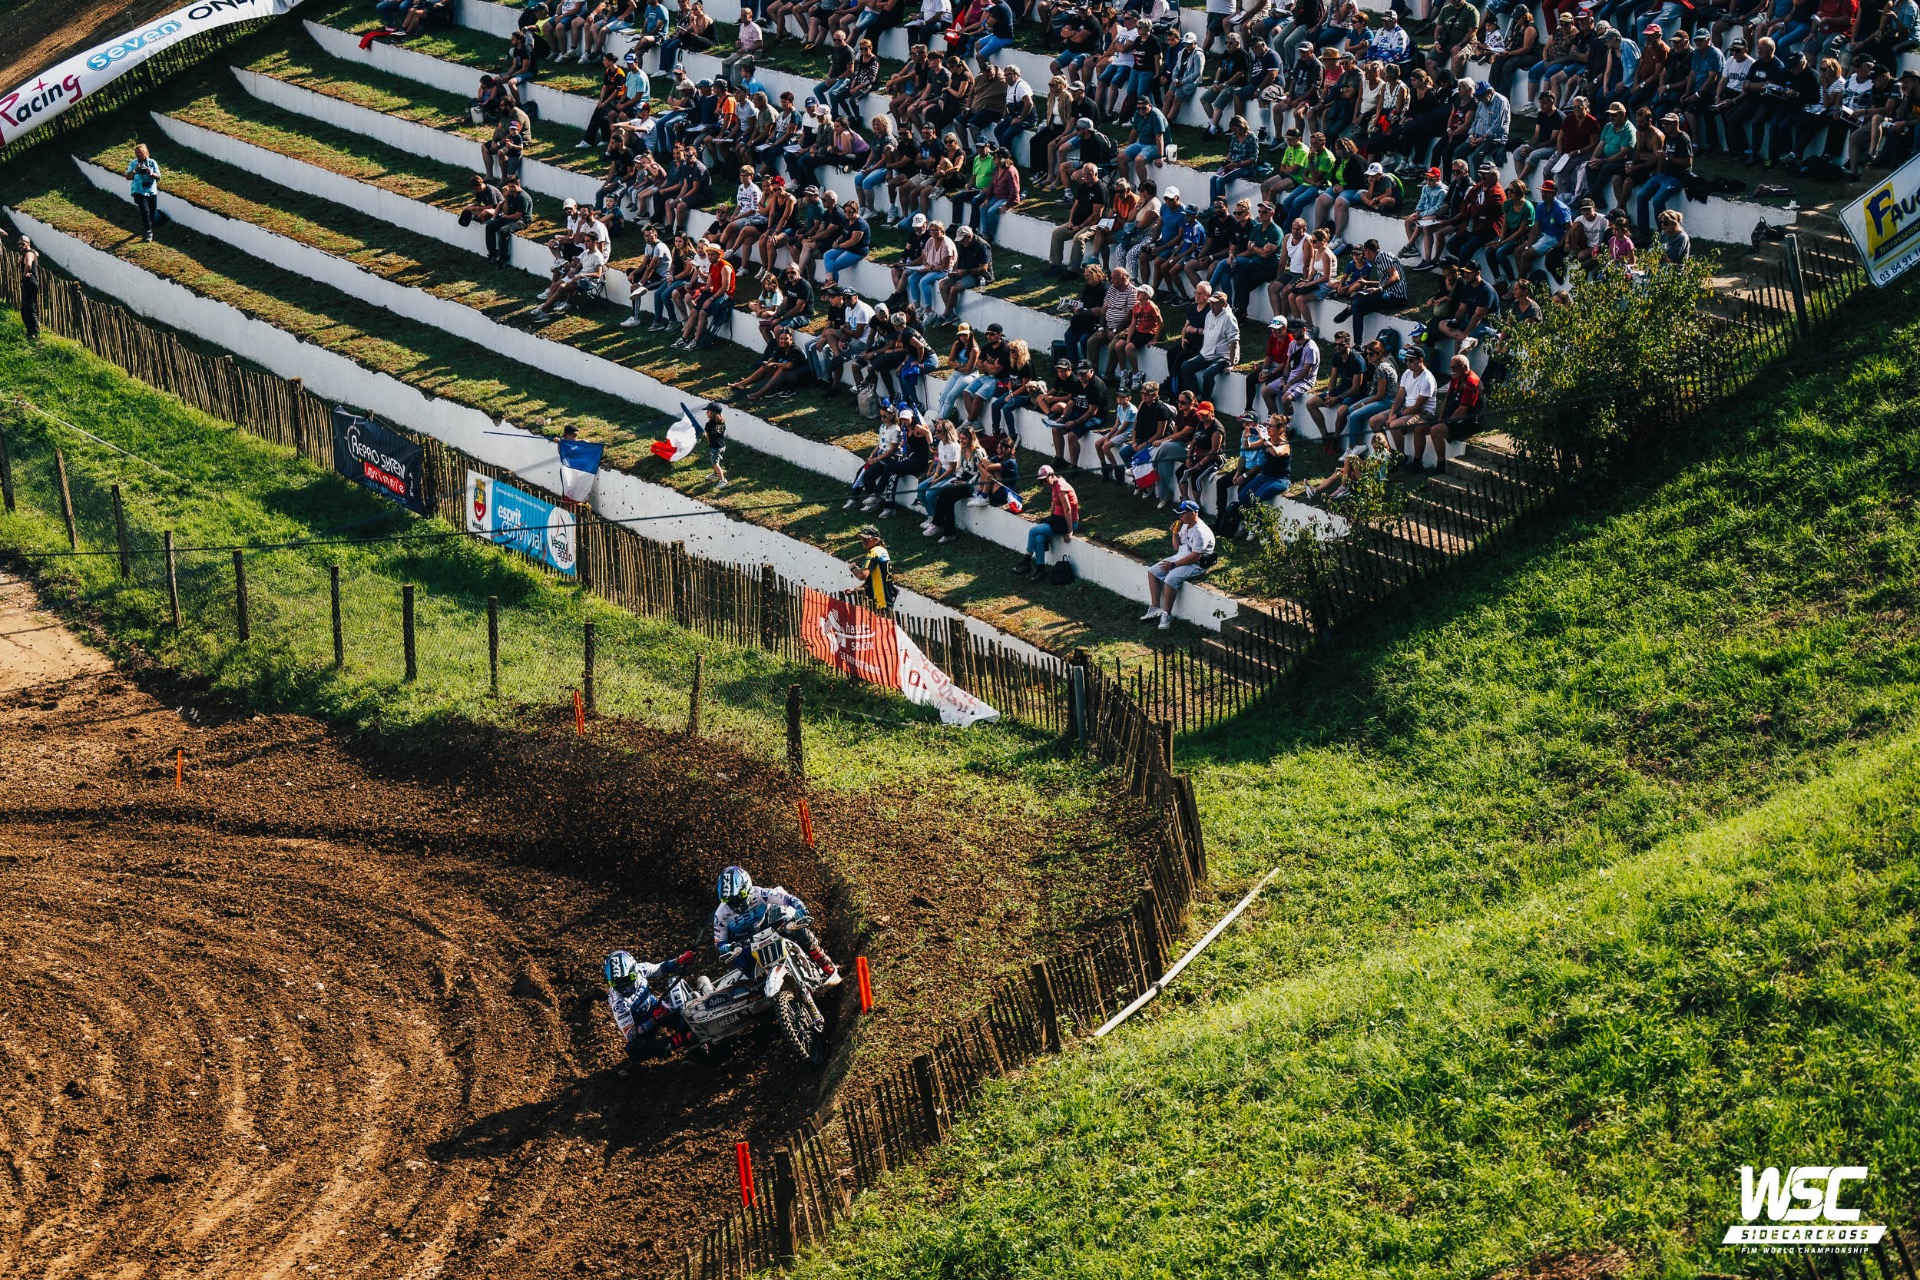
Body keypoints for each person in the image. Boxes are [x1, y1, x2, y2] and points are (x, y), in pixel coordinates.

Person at [712, 866, 841, 984]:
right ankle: (757, 983)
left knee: (793, 926)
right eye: (727, 900)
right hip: (745, 942)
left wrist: (800, 907)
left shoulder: (759, 893)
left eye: (739, 896)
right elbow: (719, 941)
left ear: (747, 887)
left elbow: (786, 898)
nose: (735, 902)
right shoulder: (720, 914)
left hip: (769, 926)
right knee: (736, 956)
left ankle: (824, 962)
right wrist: (724, 947)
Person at [603, 949, 698, 1061]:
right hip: (642, 1023)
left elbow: (661, 967)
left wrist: (679, 960)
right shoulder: (618, 1004)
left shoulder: (640, 969)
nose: (623, 986)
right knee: (634, 1050)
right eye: (615, 983)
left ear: (634, 970)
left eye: (627, 979)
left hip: (655, 1006)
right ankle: (678, 1040)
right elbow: (631, 1034)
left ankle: (689, 1032)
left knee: (686, 1017)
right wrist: (653, 1020)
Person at [1141, 501, 1215, 631]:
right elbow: (1176, 547)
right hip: (1181, 557)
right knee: (1153, 571)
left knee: (1170, 579)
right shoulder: (1186, 525)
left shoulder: (1200, 532)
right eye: (1179, 514)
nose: (1180, 517)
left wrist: (1173, 565)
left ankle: (1167, 614)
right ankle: (1155, 608)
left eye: (1183, 514)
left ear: (1193, 513)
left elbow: (1195, 556)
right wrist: (1175, 533)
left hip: (1196, 564)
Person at [1016, 464, 1080, 576]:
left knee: (1033, 531)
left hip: (1067, 522)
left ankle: (1027, 561)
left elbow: (1067, 509)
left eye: (1044, 480)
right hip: (1058, 519)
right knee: (1039, 538)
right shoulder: (1054, 484)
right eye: (1041, 481)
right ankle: (1040, 569)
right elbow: (1054, 502)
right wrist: (1050, 518)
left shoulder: (1061, 487)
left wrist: (1070, 530)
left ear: (1051, 475)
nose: (1043, 483)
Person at [851, 524, 894, 608]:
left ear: (876, 539)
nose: (864, 540)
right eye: (862, 538)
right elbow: (874, 578)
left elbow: (862, 575)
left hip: (878, 603)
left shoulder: (873, 552)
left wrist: (853, 568)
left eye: (867, 538)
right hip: (887, 600)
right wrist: (855, 590)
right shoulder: (883, 551)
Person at [126, 144, 162, 242]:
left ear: (145, 152)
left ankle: (149, 227)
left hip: (151, 191)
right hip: (138, 191)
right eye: (136, 152)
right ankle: (148, 232)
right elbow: (128, 177)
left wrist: (151, 173)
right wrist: (135, 170)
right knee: (145, 210)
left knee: (152, 211)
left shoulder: (152, 163)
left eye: (140, 152)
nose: (137, 154)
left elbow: (158, 177)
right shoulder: (133, 163)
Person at [702, 401, 729, 491]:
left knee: (715, 463)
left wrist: (705, 437)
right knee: (715, 461)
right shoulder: (722, 422)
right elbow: (718, 433)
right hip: (722, 446)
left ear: (713, 413)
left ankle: (723, 480)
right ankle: (715, 474)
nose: (706, 413)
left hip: (715, 447)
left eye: (708, 411)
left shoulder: (709, 425)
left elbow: (708, 436)